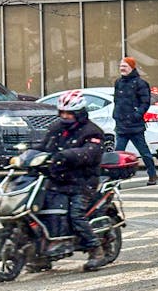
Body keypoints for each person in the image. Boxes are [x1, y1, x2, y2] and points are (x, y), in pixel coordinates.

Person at [41, 90, 108, 271]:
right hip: (57, 179)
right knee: (42, 209)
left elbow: (90, 153)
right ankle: (42, 252)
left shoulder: (92, 131)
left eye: (69, 113)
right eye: (62, 113)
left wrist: (68, 155)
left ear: (79, 113)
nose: (65, 117)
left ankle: (96, 249)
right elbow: (42, 147)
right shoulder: (56, 128)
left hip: (83, 181)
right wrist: (25, 156)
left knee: (76, 215)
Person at [113, 56, 156, 185]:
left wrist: (136, 115)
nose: (122, 69)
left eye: (125, 66)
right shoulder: (118, 82)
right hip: (121, 125)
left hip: (135, 126)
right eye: (121, 66)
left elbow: (145, 102)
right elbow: (117, 101)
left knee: (145, 153)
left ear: (132, 68)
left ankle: (152, 174)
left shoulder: (140, 83)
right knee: (117, 155)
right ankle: (115, 181)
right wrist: (116, 115)